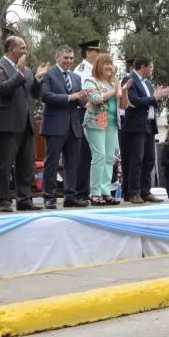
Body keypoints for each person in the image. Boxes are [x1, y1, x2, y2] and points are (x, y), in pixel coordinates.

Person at [0, 36, 47, 212]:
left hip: (26, 124)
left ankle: (24, 199)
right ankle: (3, 200)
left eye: (25, 48)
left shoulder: (27, 70)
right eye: (21, 48)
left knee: (26, 164)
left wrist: (38, 78)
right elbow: (0, 90)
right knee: (5, 164)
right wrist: (19, 74)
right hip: (7, 124)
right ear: (10, 49)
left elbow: (34, 94)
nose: (24, 51)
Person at [40, 45, 88, 209]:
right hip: (54, 125)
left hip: (74, 126)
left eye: (71, 58)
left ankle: (70, 196)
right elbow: (46, 96)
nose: (69, 61)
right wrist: (69, 97)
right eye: (65, 58)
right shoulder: (48, 74)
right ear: (57, 58)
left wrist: (83, 97)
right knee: (52, 163)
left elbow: (79, 101)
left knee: (72, 163)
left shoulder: (76, 77)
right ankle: (49, 197)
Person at [119, 56, 169, 204]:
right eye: (151, 67)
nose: (152, 70)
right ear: (143, 67)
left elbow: (152, 103)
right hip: (135, 126)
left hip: (149, 124)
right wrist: (155, 97)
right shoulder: (129, 79)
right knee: (136, 159)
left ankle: (145, 191)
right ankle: (133, 192)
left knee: (149, 160)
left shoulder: (148, 83)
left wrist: (158, 97)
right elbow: (133, 101)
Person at [82, 53, 125, 205]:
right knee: (99, 156)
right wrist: (114, 91)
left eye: (111, 63)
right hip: (96, 121)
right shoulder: (90, 81)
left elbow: (123, 105)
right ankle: (95, 193)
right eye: (106, 63)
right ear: (99, 65)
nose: (109, 66)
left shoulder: (114, 82)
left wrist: (122, 89)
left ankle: (105, 191)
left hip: (112, 123)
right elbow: (96, 99)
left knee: (109, 158)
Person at [74, 39, 100, 203]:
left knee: (94, 153)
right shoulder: (81, 70)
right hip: (84, 113)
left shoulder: (96, 70)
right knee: (83, 154)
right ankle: (81, 192)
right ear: (89, 53)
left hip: (96, 114)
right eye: (97, 52)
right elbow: (82, 94)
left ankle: (90, 190)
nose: (99, 55)